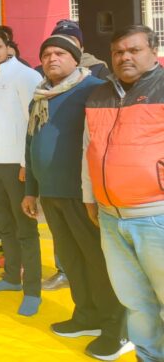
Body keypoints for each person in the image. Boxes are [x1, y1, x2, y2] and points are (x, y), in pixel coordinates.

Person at [22, 35, 130, 361]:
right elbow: (31, 142)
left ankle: (116, 327)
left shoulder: (94, 90)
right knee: (71, 259)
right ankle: (86, 315)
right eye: (46, 54)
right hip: (51, 192)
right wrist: (31, 190)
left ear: (75, 57)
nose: (52, 59)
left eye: (59, 53)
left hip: (82, 194)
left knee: (97, 260)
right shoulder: (40, 96)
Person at [82, 25, 163, 362]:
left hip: (156, 215)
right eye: (118, 52)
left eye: (134, 50)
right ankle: (149, 356)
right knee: (135, 301)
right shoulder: (99, 94)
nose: (124, 57)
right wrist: (89, 196)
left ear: (153, 51)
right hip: (111, 218)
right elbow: (89, 149)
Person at [0, 29, 43, 315]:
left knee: (25, 228)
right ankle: (12, 278)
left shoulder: (25, 76)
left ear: (8, 48)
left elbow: (34, 122)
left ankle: (33, 291)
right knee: (4, 226)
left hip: (17, 165)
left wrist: (28, 163)